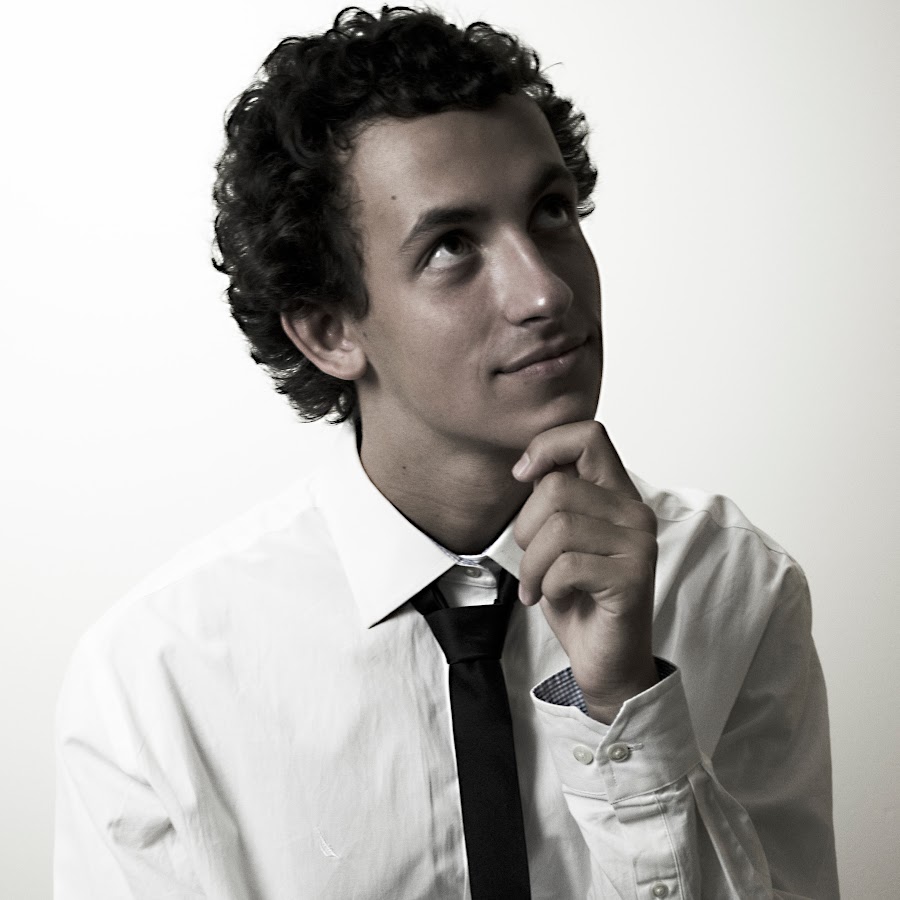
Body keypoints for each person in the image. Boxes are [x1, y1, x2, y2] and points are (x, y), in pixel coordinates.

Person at [54, 6, 839, 898]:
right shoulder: (157, 679)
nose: (545, 293)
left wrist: (624, 701)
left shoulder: (733, 584)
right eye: (452, 246)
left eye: (550, 212)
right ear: (329, 330)